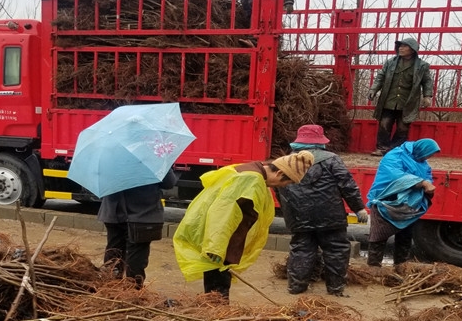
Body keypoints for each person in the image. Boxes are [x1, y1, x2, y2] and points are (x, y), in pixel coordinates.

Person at [173, 152, 313, 301]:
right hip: (221, 241)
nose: (285, 186)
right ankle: (215, 312)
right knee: (218, 285)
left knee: (218, 281)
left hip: (223, 239)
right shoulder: (251, 179)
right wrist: (215, 247)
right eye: (288, 182)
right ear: (279, 173)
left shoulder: (253, 171)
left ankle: (216, 309)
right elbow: (224, 212)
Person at [276, 124, 369, 297]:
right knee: (336, 251)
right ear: (320, 141)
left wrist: (290, 214)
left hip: (299, 217)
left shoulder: (286, 162)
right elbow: (347, 185)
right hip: (331, 217)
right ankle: (335, 289)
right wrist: (358, 208)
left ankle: (296, 288)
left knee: (301, 250)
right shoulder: (332, 159)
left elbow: (279, 189)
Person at [366, 138, 441, 267]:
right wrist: (422, 183)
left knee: (405, 237)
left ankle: (401, 267)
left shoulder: (422, 162)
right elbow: (394, 175)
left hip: (408, 206)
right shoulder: (395, 156)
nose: (428, 158)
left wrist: (428, 185)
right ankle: (373, 268)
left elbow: (428, 176)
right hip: (386, 201)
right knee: (379, 236)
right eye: (428, 154)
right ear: (421, 149)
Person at [98, 169, 179, 287]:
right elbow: (169, 183)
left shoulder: (109, 158)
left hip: (114, 211)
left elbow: (101, 181)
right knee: (136, 258)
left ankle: (110, 287)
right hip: (142, 214)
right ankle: (132, 291)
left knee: (114, 251)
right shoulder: (152, 159)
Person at [367, 38, 433, 156]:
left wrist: (427, 96)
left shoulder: (422, 66)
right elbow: (380, 77)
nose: (400, 48)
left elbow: (427, 81)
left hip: (408, 102)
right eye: (400, 46)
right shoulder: (390, 63)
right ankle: (382, 148)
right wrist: (373, 89)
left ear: (412, 50)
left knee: (403, 128)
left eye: (404, 46)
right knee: (384, 125)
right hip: (389, 100)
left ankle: (395, 150)